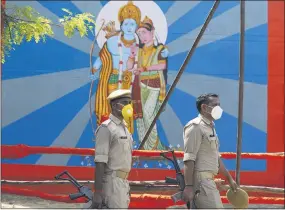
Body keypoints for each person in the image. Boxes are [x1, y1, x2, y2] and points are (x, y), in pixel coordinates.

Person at [182, 93, 238, 208]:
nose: (219, 108)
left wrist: (229, 178)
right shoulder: (195, 127)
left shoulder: (210, 127)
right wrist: (188, 186)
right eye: (215, 105)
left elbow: (216, 158)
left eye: (219, 105)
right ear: (204, 107)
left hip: (208, 181)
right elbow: (189, 159)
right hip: (202, 182)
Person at [92, 1, 141, 129]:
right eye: (126, 24)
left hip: (130, 81)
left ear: (136, 26)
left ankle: (126, 135)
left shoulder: (140, 44)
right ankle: (108, 131)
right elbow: (103, 56)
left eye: (132, 24)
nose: (129, 27)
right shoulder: (112, 41)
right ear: (121, 25)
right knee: (112, 106)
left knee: (127, 110)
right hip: (113, 78)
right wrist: (95, 67)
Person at [127, 16, 169, 150]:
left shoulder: (160, 48)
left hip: (154, 85)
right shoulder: (138, 49)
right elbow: (129, 67)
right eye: (139, 34)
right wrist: (132, 55)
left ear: (152, 32)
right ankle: (145, 147)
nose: (142, 36)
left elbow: (162, 66)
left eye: (144, 32)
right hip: (139, 86)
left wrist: (144, 69)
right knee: (140, 117)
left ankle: (154, 147)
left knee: (148, 115)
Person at [91, 89, 134, 209]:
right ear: (115, 106)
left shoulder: (125, 129)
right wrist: (98, 192)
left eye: (129, 103)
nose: (128, 106)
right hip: (111, 183)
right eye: (125, 103)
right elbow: (100, 162)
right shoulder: (106, 128)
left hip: (123, 183)